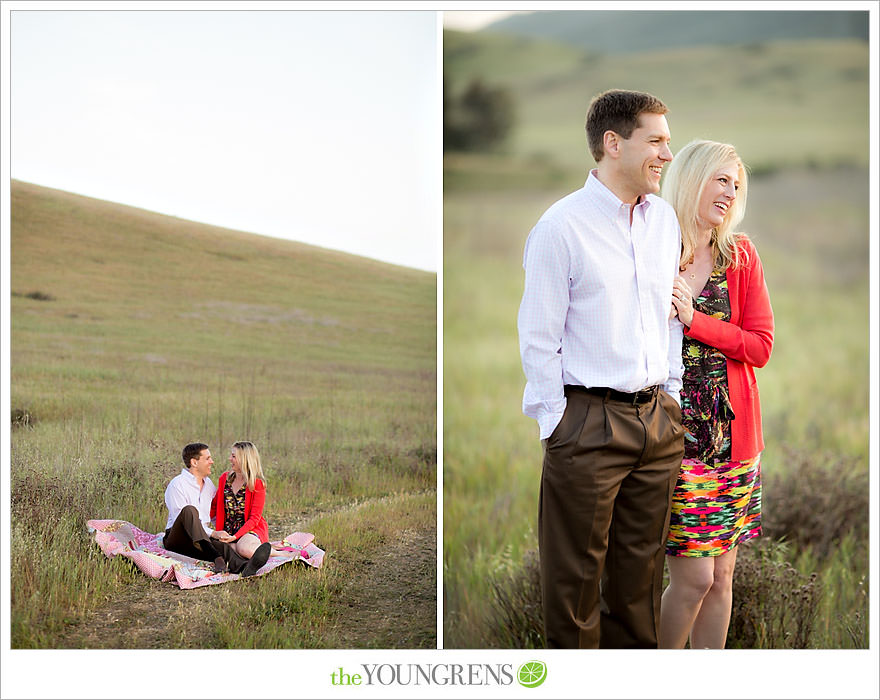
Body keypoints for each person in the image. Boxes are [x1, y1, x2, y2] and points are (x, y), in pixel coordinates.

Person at [517, 89, 686, 649]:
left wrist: (673, 397)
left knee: (637, 591)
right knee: (574, 593)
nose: (667, 152)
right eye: (656, 140)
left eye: (668, 140)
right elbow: (538, 338)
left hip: (656, 423)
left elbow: (667, 315)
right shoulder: (560, 227)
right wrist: (557, 425)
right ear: (614, 144)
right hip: (586, 424)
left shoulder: (663, 221)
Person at [658, 140, 774, 649]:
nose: (729, 192)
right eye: (720, 179)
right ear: (691, 179)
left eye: (736, 184)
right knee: (694, 579)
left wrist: (695, 320)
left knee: (722, 578)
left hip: (734, 441)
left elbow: (760, 345)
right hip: (674, 440)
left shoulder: (740, 255)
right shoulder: (654, 248)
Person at [163, 442, 268, 577]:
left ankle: (244, 568)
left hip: (200, 539)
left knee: (223, 546)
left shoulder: (209, 486)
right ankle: (216, 558)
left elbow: (215, 511)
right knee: (189, 511)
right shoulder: (177, 485)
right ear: (194, 462)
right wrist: (213, 533)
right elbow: (182, 520)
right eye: (207, 458)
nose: (212, 462)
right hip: (177, 538)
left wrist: (222, 533)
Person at [209, 441, 274, 566]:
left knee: (244, 549)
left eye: (234, 456)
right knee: (217, 548)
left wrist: (236, 537)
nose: (230, 459)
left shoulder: (257, 484)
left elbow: (255, 518)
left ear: (245, 459)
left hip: (249, 529)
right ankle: (247, 558)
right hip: (228, 531)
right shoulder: (225, 478)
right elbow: (214, 506)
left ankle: (278, 553)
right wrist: (204, 525)